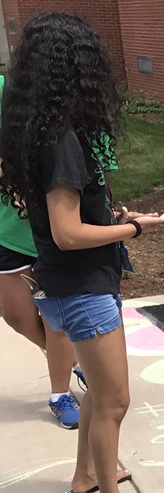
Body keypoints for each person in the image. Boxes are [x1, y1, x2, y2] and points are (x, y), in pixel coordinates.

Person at [0, 12, 164, 493]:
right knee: (114, 399)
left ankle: (84, 476)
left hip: (69, 285)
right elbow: (69, 232)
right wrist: (132, 233)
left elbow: (68, 222)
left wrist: (118, 219)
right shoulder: (62, 142)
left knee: (98, 392)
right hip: (80, 288)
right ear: (75, 69)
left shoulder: (44, 133)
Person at [0, 73, 82, 428]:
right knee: (17, 317)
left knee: (56, 320)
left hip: (47, 227)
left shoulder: (10, 89)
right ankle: (78, 360)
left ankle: (60, 392)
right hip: (6, 231)